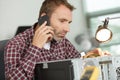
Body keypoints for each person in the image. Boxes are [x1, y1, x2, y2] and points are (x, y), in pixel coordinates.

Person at [4, 0, 109, 80]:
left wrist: (93, 59)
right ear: (44, 19)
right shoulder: (16, 44)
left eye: (69, 22)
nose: (67, 29)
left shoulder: (63, 43)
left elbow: (80, 71)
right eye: (62, 21)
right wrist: (35, 48)